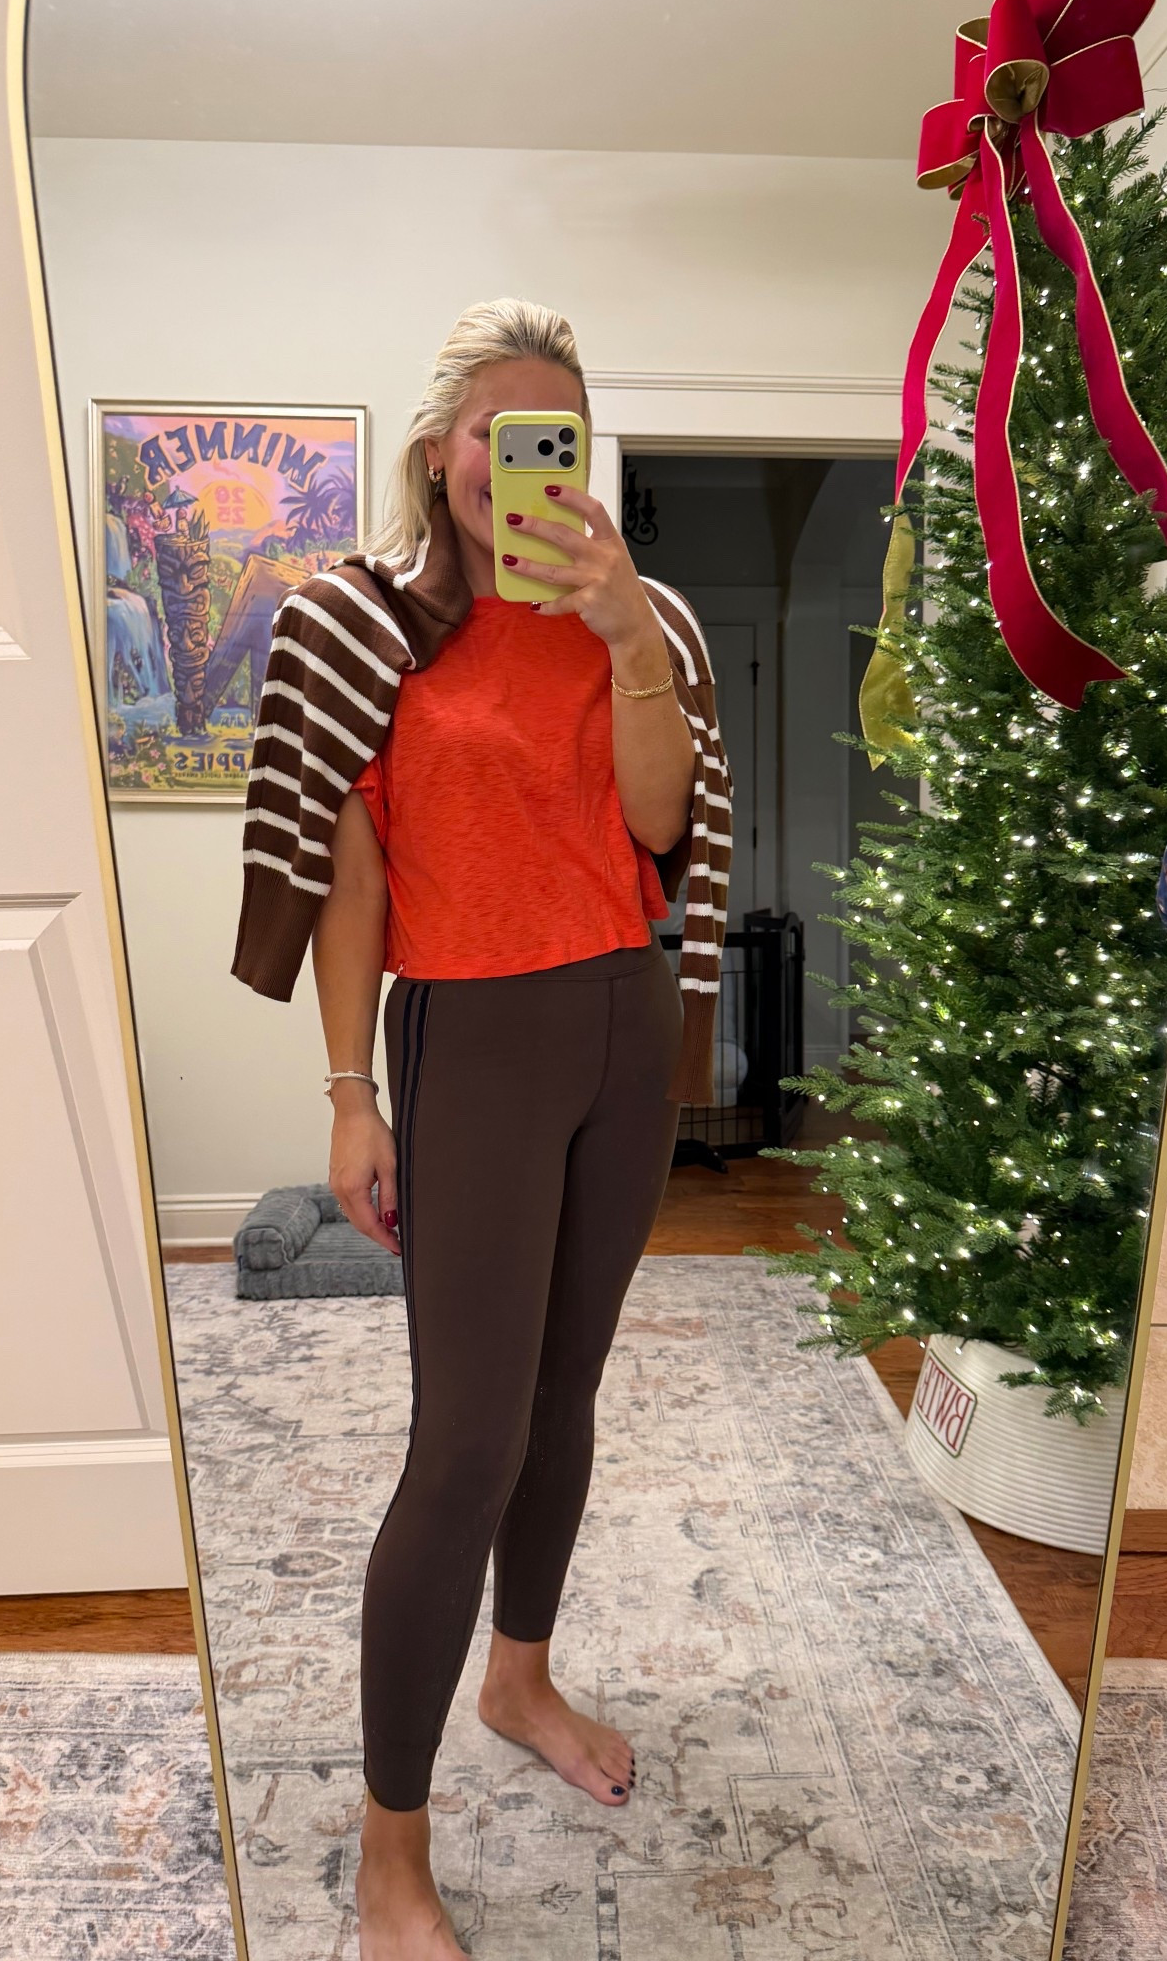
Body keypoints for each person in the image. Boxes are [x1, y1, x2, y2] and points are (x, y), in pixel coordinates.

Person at [230, 299, 732, 1960]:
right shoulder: (358, 623)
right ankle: (392, 1853)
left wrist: (628, 633)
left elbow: (659, 822)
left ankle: (519, 1679)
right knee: (465, 1441)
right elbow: (351, 876)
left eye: (555, 436)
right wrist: (350, 1094)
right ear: (441, 449)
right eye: (497, 432)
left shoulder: (636, 614)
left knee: (563, 1393)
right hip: (477, 1037)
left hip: (623, 1022)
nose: (521, 462)